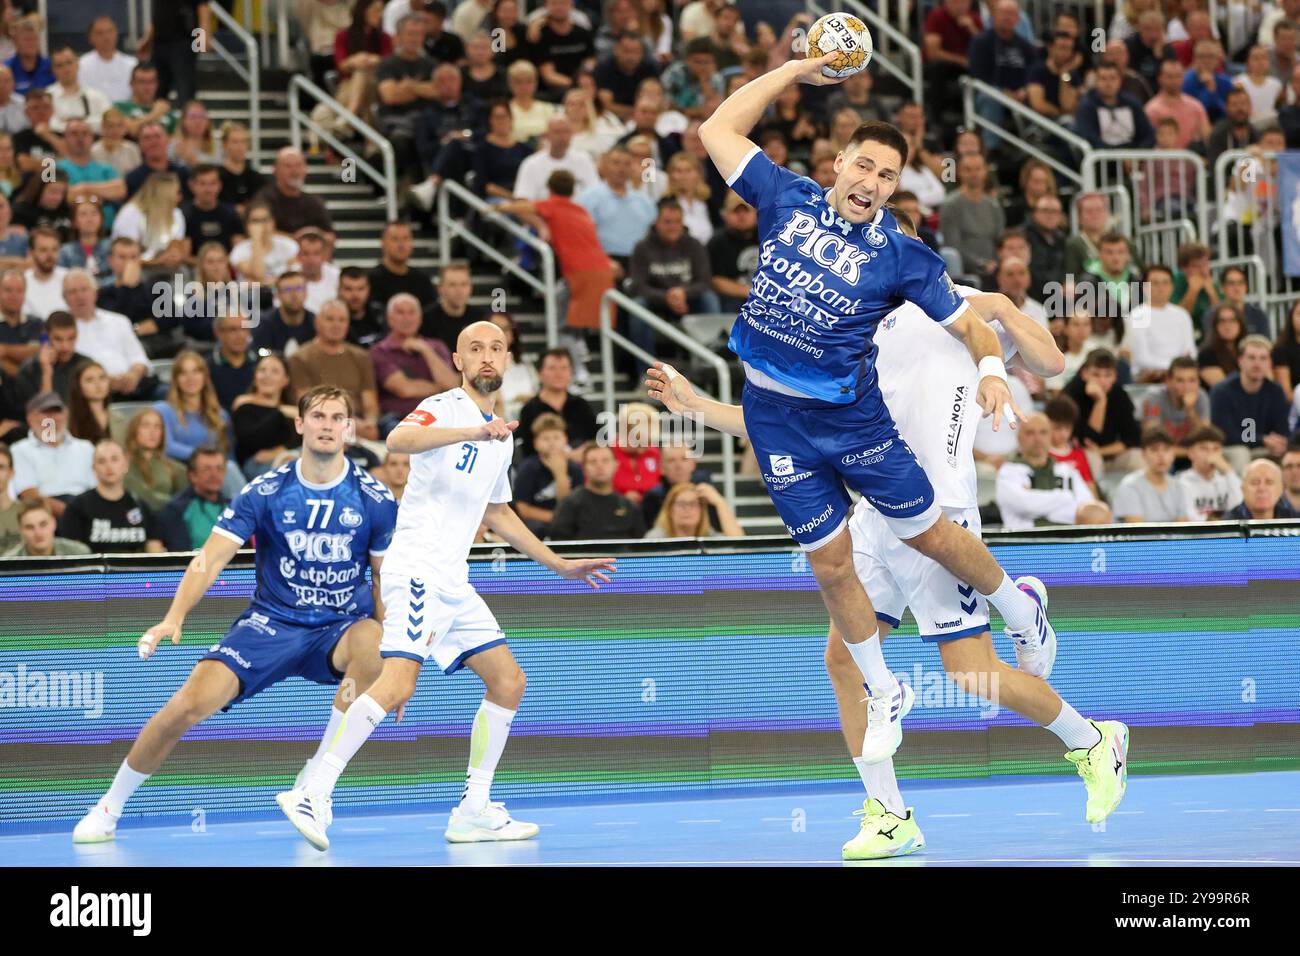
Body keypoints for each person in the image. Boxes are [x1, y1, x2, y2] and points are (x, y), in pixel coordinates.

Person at [647, 277, 1126, 858]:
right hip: (873, 509)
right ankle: (890, 814)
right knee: (843, 658)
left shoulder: (958, 305)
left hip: (939, 508)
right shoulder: (843, 324)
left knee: (970, 671)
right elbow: (786, 424)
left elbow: (1050, 362)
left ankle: (1093, 738)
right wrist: (694, 405)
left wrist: (1000, 305)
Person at [695, 52, 1056, 773]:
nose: (872, 185)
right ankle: (886, 799)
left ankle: (1034, 636)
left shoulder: (914, 276)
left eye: (888, 178)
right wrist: (796, 68)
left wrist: (997, 352)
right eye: (864, 167)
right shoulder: (796, 209)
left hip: (926, 489)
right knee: (838, 638)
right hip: (828, 449)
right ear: (839, 165)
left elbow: (1025, 350)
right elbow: (718, 128)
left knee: (969, 673)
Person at [278, 322, 615, 849]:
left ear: (507, 360)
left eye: (496, 349)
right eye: (475, 349)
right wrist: (472, 431)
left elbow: (498, 513)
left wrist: (559, 564)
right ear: (458, 360)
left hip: (453, 578)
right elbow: (398, 438)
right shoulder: (445, 408)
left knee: (508, 682)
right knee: (397, 685)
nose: (487, 357)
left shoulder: (501, 436)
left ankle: (473, 809)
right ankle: (312, 790)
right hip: (416, 567)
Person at [72, 385, 400, 844]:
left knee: (375, 640)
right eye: (319, 416)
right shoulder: (266, 491)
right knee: (186, 706)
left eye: (337, 417)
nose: (328, 425)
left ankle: (315, 785)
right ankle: (109, 806)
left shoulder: (375, 499)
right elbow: (211, 558)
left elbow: (386, 581)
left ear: (349, 428)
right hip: (271, 624)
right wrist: (175, 616)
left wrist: (397, 667)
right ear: (300, 424)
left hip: (339, 628)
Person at [496, 170, 616, 336]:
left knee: (562, 325)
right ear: (573, 191)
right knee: (576, 317)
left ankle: (574, 354)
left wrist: (496, 207)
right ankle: (579, 350)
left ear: (549, 189)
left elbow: (519, 207)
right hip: (602, 269)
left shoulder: (552, 205)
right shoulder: (581, 210)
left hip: (579, 271)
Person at [288, 301, 382, 442]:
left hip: (359, 431)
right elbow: (305, 404)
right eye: (330, 319)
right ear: (317, 322)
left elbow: (370, 402)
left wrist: (370, 422)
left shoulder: (361, 357)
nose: (336, 325)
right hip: (321, 428)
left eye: (342, 320)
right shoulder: (300, 358)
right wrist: (346, 424)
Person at [995, 413, 1105, 529]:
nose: (1037, 439)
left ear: (1050, 436)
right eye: (1030, 433)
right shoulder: (1008, 472)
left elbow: (1087, 509)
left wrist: (1038, 506)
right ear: (1019, 437)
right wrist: (1066, 496)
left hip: (1067, 540)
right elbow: (1026, 504)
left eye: (1043, 432)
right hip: (1024, 542)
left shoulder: (1067, 471)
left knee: (1100, 513)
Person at [371, 291, 459, 434]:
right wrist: (440, 388)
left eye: (411, 313)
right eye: (400, 313)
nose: (407, 318)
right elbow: (405, 389)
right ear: (389, 319)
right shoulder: (379, 351)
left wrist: (426, 351)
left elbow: (452, 385)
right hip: (400, 418)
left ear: (419, 318)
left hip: (440, 415)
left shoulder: (437, 346)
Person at [61, 269, 154, 401]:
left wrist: (133, 375)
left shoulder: (119, 321)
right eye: (73, 292)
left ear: (95, 293)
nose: (80, 296)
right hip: (88, 394)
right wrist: (105, 382)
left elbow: (139, 358)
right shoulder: (62, 330)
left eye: (84, 290)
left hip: (133, 386)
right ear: (64, 298)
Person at [57, 438, 165, 552]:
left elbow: (155, 552)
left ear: (125, 464)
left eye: (114, 459)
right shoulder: (77, 507)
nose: (109, 466)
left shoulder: (142, 507)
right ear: (94, 468)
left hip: (135, 569)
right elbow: (73, 554)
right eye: (102, 461)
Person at [1210, 335, 1292, 472]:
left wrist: (1279, 443)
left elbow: (1282, 429)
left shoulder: (1276, 391)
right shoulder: (1222, 392)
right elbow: (1226, 435)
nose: (1257, 363)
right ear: (1240, 361)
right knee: (1241, 453)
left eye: (1263, 358)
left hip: (1264, 449)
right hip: (1232, 449)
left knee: (1291, 456)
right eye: (1251, 357)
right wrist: (1263, 439)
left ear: (1269, 363)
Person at [9, 391, 96, 517]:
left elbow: (99, 489)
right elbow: (29, 494)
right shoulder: (19, 450)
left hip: (86, 509)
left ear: (66, 415)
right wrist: (72, 515)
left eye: (57, 412)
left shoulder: (86, 448)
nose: (52, 419)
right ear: (30, 418)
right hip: (45, 513)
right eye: (45, 413)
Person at [1063, 348, 1143, 476]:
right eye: (1096, 374)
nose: (1102, 381)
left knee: (1139, 457)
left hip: (1109, 454)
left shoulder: (1120, 395)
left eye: (1107, 375)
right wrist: (1100, 402)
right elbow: (1085, 441)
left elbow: (1133, 438)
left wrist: (1101, 451)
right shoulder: (1071, 395)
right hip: (1081, 457)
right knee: (1090, 459)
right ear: (1084, 374)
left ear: (1115, 376)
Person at [548, 441, 646, 539]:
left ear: (616, 465)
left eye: (605, 460)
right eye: (593, 462)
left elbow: (641, 546)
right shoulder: (570, 504)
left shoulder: (629, 506)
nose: (599, 466)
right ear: (584, 468)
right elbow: (558, 543)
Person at [516, 347, 599, 459]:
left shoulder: (582, 405)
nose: (559, 373)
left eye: (564, 368)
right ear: (540, 373)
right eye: (552, 368)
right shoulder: (529, 409)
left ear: (571, 373)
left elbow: (595, 440)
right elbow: (527, 449)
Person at [1121, 265, 1196, 383]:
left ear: (1172, 286)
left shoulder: (1182, 315)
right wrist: (1172, 370)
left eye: (1165, 283)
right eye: (1155, 283)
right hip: (1149, 378)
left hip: (1181, 377)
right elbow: (1142, 359)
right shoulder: (1136, 316)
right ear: (1145, 287)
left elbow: (1190, 352)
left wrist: (1176, 371)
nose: (1161, 288)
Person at [231, 353, 301, 477]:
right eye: (262, 370)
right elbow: (250, 441)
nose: (267, 375)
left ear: (286, 380)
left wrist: (282, 450)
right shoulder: (244, 404)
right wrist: (279, 413)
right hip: (255, 464)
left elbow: (303, 438)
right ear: (255, 377)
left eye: (275, 371)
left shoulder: (291, 408)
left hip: (290, 456)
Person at [511, 412, 582, 533]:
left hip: (566, 521)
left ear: (565, 440)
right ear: (535, 443)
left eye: (556, 437)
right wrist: (559, 518)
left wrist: (561, 475)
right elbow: (523, 509)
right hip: (538, 524)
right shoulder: (528, 468)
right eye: (545, 438)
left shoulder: (574, 468)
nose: (551, 442)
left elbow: (573, 505)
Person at [939, 152, 1004, 283]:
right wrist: (981, 264)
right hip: (966, 271)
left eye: (978, 169)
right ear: (959, 172)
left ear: (985, 171)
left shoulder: (993, 205)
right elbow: (952, 245)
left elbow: (1000, 241)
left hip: (995, 269)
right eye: (968, 170)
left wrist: (996, 263)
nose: (974, 174)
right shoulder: (951, 205)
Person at [1111, 426, 1198, 522]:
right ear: (1143, 454)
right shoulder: (1130, 486)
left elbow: (1183, 527)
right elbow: (1136, 531)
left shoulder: (1178, 486)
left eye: (1166, 450)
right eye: (1154, 450)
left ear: (1173, 454)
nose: (1161, 455)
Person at [155, 445, 231, 551]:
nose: (214, 474)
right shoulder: (175, 511)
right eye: (207, 469)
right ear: (192, 476)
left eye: (219, 468)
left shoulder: (235, 508)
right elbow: (181, 557)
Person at [253, 148, 334, 241]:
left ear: (305, 169)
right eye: (288, 166)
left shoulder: (314, 202)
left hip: (309, 254)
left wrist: (313, 235)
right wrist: (297, 240)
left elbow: (330, 237)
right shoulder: (263, 200)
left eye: (299, 165)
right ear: (275, 170)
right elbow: (259, 231)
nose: (294, 171)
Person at [1141, 356, 1210, 463]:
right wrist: (1189, 453)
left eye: (1192, 380)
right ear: (1168, 381)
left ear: (1198, 382)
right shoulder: (1153, 398)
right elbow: (1152, 441)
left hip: (1192, 456)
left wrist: (1190, 410)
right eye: (1180, 380)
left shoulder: (1202, 397)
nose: (1187, 387)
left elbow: (1206, 438)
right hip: (1163, 456)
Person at [14, 311, 92, 405]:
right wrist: (46, 371)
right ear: (46, 338)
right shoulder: (30, 369)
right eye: (58, 339)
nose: (65, 347)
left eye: (71, 338)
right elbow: (43, 414)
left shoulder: (86, 365)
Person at [122, 407, 189, 512]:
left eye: (157, 426)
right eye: (145, 426)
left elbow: (185, 503)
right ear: (134, 430)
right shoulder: (122, 464)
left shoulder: (176, 469)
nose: (152, 432)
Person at [369, 220, 436, 317]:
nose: (401, 245)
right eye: (395, 239)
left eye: (406, 238)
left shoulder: (422, 281)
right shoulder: (371, 281)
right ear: (383, 243)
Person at [1179, 424, 1243, 519]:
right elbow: (1188, 518)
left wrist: (1228, 470)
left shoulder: (1228, 480)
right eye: (1204, 449)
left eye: (1216, 449)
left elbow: (1241, 508)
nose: (1210, 454)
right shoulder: (1181, 483)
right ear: (1190, 453)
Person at [419, 260, 482, 352]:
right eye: (452, 285)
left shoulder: (480, 319)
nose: (459, 290)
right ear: (440, 289)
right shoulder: (425, 319)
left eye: (464, 284)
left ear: (470, 288)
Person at [182, 164, 244, 257]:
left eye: (213, 183)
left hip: (227, 266)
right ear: (192, 185)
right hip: (193, 268)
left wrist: (220, 264)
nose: (208, 189)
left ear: (220, 185)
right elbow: (183, 255)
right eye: (203, 184)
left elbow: (240, 250)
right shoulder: (183, 215)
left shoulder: (231, 213)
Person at [252, 270, 316, 356]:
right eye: (287, 290)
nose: (294, 295)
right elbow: (259, 355)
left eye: (299, 288)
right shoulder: (265, 324)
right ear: (278, 295)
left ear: (306, 293)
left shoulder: (316, 323)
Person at [4, 497, 92, 556]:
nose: (38, 533)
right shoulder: (7, 563)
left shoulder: (79, 554)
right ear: (20, 530)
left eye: (43, 524)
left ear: (54, 523)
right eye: (29, 527)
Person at [79, 16, 138, 104]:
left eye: (110, 31)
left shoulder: (133, 64)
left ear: (116, 34)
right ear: (91, 38)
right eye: (100, 33)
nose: (106, 37)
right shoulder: (81, 65)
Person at [207, 313, 258, 411]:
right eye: (233, 330)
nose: (240, 335)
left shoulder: (261, 364)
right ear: (218, 333)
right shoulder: (206, 368)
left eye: (244, 329)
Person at [1224, 457, 1300, 518]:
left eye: (1269, 482)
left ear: (1281, 489)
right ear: (1242, 488)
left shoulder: (1295, 519)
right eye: (1255, 482)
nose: (1262, 488)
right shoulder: (1226, 525)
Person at [1198, 303, 1246, 388]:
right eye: (1222, 321)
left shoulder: (1248, 349)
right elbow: (1224, 389)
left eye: (1232, 320)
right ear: (1215, 326)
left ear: (1240, 324)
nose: (1227, 326)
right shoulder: (1206, 354)